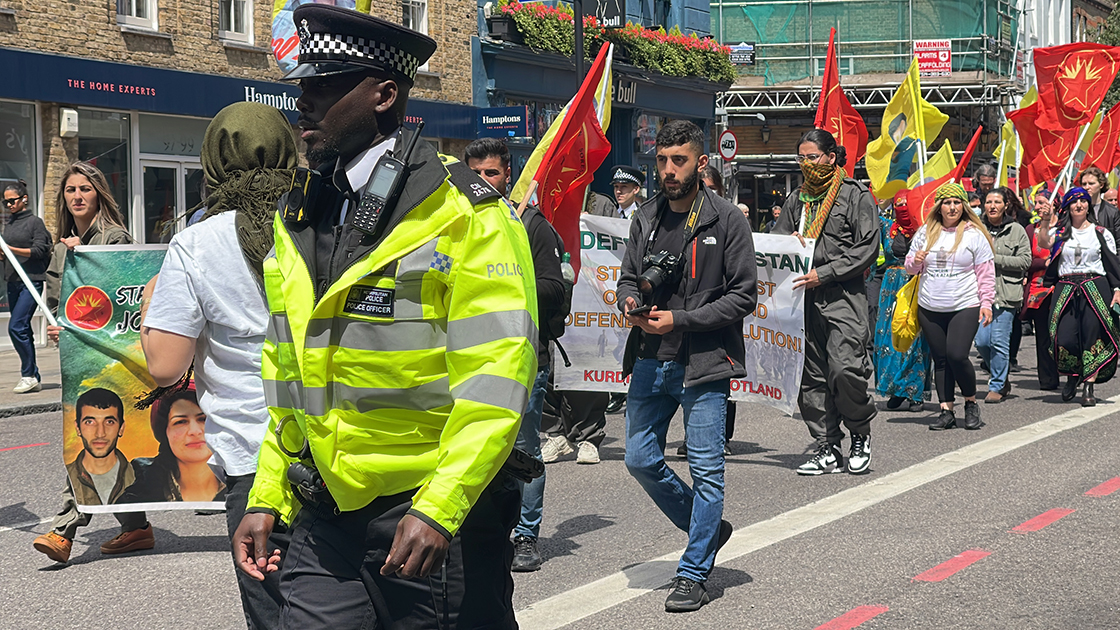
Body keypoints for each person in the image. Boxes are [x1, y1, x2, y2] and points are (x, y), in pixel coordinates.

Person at [231, 7, 536, 627]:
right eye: (301, 86)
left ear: (383, 95)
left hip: (427, 518)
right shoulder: (300, 211)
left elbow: (497, 378)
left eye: (325, 85)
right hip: (323, 512)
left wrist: (439, 508)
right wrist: (268, 492)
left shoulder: (467, 214)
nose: (304, 102)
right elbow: (290, 378)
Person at [138, 101, 297, 629]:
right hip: (335, 449)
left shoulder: (198, 243)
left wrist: (152, 300)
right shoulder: (318, 219)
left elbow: (165, 365)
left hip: (254, 460)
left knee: (273, 613)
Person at [617, 120, 756, 612]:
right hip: (652, 358)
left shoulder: (725, 219)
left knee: (707, 470)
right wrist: (630, 300)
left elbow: (743, 296)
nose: (668, 171)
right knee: (638, 458)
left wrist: (681, 318)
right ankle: (708, 527)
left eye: (679, 161)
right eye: (661, 161)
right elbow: (627, 277)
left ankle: (693, 571)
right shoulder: (647, 215)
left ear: (701, 162)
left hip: (704, 361)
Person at [463, 137, 566, 572]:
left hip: (525, 358)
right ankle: (482, 530)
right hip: (470, 358)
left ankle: (526, 535)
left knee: (523, 450)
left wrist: (507, 282)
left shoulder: (532, 225)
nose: (484, 181)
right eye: (476, 173)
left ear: (509, 175)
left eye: (492, 173)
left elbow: (555, 288)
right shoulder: (458, 221)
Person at [773, 129, 878, 476]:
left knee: (845, 368)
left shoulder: (855, 195)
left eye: (812, 157)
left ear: (831, 158)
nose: (806, 164)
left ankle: (859, 433)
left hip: (842, 296)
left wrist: (826, 272)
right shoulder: (797, 199)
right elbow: (776, 242)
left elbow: (866, 249)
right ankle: (826, 445)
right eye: (801, 158)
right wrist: (786, 243)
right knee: (811, 376)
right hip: (802, 299)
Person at [905, 182, 995, 431]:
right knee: (941, 359)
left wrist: (986, 302)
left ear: (964, 206)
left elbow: (986, 273)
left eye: (957, 202)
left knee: (957, 355)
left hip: (964, 304)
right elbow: (909, 267)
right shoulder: (925, 233)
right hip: (930, 305)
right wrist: (916, 260)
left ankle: (970, 402)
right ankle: (946, 410)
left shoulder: (974, 234)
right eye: (947, 202)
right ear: (939, 207)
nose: (952, 207)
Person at [32, 388, 154, 563]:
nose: (100, 433)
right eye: (90, 422)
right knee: (80, 477)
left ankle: (136, 530)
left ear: (121, 427)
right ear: (78, 427)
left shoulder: (138, 472)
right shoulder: (77, 471)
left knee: (126, 481)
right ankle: (63, 533)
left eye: (110, 422)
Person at [1045, 187, 1120, 406]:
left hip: (1095, 285)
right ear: (1067, 206)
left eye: (1084, 201)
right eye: (1075, 201)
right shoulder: (1058, 232)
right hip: (1066, 286)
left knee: (1092, 336)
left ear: (1088, 205)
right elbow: (1042, 244)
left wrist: (1117, 290)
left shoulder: (1101, 232)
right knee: (1064, 336)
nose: (1080, 205)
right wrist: (1044, 222)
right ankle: (1073, 375)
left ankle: (1089, 385)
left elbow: (1112, 263)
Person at [45, 162, 133, 342]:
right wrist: (57, 327)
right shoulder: (61, 248)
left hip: (111, 346)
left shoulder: (115, 238)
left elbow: (121, 298)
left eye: (85, 189)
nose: (77, 196)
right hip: (75, 349)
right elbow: (55, 304)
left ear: (99, 195)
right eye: (71, 190)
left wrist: (86, 254)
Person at [118, 388, 227, 503]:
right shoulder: (136, 488)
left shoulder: (243, 484)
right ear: (164, 432)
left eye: (203, 419)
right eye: (180, 422)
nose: (194, 431)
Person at [974, 188, 1031, 404]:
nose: (992, 206)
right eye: (988, 202)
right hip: (980, 296)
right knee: (981, 342)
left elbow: (1025, 261)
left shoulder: (1016, 230)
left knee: (999, 341)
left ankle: (997, 384)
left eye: (997, 201)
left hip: (1007, 294)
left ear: (1005, 205)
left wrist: (995, 259)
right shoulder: (976, 229)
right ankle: (1002, 373)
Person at [874, 202, 929, 413]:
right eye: (899, 204)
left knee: (915, 337)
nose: (903, 208)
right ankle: (894, 389)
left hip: (915, 283)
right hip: (891, 286)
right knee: (890, 337)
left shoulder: (925, 230)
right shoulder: (886, 227)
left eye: (908, 204)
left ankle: (914, 391)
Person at [1, 179, 50, 393]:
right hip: (13, 281)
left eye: (12, 201)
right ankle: (33, 376)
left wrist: (11, 249)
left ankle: (28, 374)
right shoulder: (9, 224)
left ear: (24, 199)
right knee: (24, 329)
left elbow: (41, 250)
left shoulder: (35, 222)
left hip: (31, 280)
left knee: (16, 326)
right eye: (5, 203)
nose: (9, 205)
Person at [1023, 189, 1059, 390]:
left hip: (1063, 287)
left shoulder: (1065, 228)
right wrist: (1044, 263)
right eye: (1035, 203)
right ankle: (1047, 378)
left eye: (1042, 202)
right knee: (1043, 335)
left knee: (1064, 334)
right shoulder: (1031, 230)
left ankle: (1072, 373)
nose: (1037, 207)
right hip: (1038, 291)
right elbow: (1026, 259)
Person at [1078, 166, 1120, 243]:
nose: (1087, 187)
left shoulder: (1113, 212)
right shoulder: (1077, 209)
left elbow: (1118, 241)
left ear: (1101, 185)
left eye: (1091, 183)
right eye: (1084, 184)